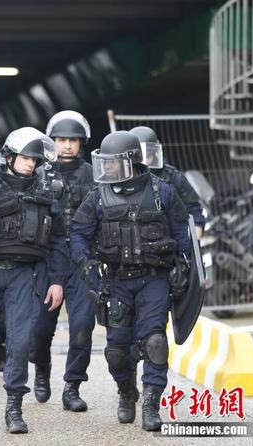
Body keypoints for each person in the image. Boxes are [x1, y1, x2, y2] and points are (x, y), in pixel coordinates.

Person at [69, 130, 192, 431]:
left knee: (154, 342)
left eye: (113, 163)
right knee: (116, 351)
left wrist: (184, 264)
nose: (107, 169)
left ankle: (151, 404)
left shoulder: (163, 192)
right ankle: (127, 392)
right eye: (105, 163)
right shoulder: (97, 197)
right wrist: (86, 263)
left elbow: (182, 232)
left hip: (154, 279)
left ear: (132, 161)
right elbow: (78, 234)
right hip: (117, 281)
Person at [0, 127, 68, 434]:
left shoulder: (46, 190)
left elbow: (58, 238)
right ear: (10, 156)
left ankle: (14, 407)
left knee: (21, 343)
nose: (30, 164)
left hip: (24, 275)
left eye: (35, 160)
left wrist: (57, 280)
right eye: (25, 157)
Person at [29, 111, 96, 411]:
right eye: (61, 140)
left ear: (81, 143)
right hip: (47, 261)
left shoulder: (96, 175)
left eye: (72, 140)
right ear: (52, 141)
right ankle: (41, 368)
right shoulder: (38, 173)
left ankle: (72, 386)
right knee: (40, 330)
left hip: (84, 261)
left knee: (82, 326)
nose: (67, 145)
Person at [129, 126, 205, 238]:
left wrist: (191, 243)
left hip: (170, 243)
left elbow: (195, 214)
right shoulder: (121, 184)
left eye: (148, 156)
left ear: (156, 153)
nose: (144, 162)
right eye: (140, 158)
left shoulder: (174, 178)